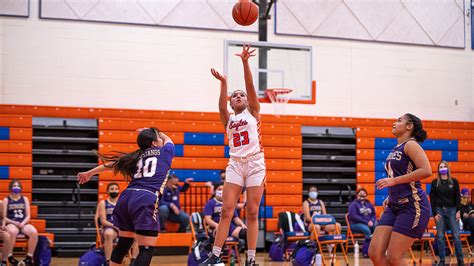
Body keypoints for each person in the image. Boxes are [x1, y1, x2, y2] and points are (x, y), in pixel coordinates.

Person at [201, 44, 266, 266]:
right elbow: (220, 108)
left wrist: (245, 62)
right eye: (235, 95)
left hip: (256, 163)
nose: (239, 96)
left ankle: (250, 259)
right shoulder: (228, 119)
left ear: (248, 101)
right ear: (231, 102)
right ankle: (215, 254)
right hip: (236, 164)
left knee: (252, 211)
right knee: (227, 209)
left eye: (242, 95)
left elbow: (249, 85)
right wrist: (224, 83)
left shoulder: (253, 112)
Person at [77, 128, 174, 266]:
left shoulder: (137, 156)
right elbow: (168, 139)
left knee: (124, 243)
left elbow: (112, 164)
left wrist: (90, 173)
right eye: (157, 138)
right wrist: (155, 131)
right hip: (145, 196)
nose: (161, 139)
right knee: (146, 249)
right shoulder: (165, 151)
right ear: (153, 143)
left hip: (126, 196)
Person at [368, 114, 433, 266]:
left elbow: (426, 170)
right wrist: (391, 195)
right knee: (375, 253)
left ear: (409, 126)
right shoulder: (396, 148)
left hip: (412, 205)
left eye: (399, 120)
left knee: (394, 257)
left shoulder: (411, 144)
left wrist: (394, 181)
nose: (394, 123)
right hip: (394, 205)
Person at [429, 160, 464, 265]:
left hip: (452, 210)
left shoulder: (454, 181)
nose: (442, 168)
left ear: (447, 168)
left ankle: (460, 260)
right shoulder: (435, 183)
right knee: (440, 236)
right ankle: (442, 260)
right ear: (438, 170)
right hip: (439, 210)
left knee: (456, 236)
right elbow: (432, 199)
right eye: (440, 167)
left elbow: (458, 197)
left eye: (444, 166)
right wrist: (434, 213)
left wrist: (459, 210)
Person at [2, 179, 38, 266]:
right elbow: (3, 217)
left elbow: (28, 215)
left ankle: (29, 257)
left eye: (18, 186)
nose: (16, 187)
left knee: (34, 232)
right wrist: (13, 222)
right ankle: (10, 256)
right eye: (14, 186)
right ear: (11, 188)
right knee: (12, 232)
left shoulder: (24, 199)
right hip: (11, 222)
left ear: (21, 188)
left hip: (22, 223)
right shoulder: (6, 200)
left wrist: (23, 223)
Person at [0, 199, 11, 266]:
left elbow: (3, 218)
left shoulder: (0, 203)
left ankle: (3, 262)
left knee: (7, 236)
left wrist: (3, 226)